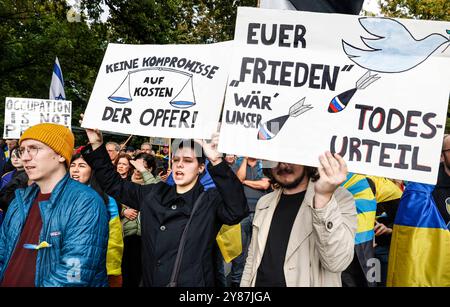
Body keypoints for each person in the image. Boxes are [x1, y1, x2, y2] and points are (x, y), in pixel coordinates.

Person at [82, 129, 248, 286]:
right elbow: (114, 184)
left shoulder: (209, 200)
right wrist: (97, 144)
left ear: (201, 168)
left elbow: (237, 210)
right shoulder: (154, 193)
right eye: (176, 160)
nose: (179, 165)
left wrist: (217, 161)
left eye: (188, 160)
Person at [0, 123, 109, 286]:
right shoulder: (19, 201)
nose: (25, 157)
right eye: (23, 150)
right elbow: (2, 254)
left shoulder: (85, 202)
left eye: (34, 148)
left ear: (60, 155)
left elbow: (73, 276)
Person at [241, 152, 357, 287]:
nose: (283, 164)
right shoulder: (264, 202)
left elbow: (337, 262)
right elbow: (253, 259)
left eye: (290, 156)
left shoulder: (340, 198)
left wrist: (324, 199)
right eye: (274, 159)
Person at [69, 153, 124, 287]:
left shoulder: (106, 200)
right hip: (67, 264)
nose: (75, 170)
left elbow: (114, 239)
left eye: (82, 166)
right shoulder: (59, 195)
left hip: (96, 267)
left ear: (92, 171)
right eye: (72, 165)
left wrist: (112, 271)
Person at [230, 157, 270, 287]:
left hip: (261, 213)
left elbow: (265, 184)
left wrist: (244, 181)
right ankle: (236, 281)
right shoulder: (237, 164)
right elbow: (238, 178)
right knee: (238, 250)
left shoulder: (264, 164)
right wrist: (245, 160)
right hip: (242, 213)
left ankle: (254, 281)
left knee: (258, 248)